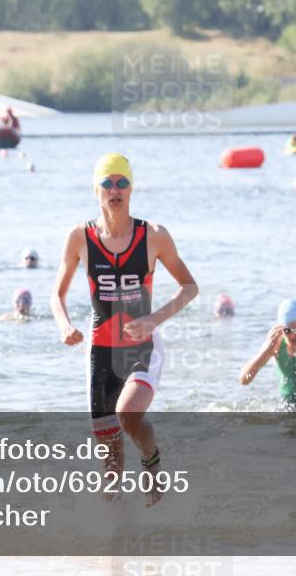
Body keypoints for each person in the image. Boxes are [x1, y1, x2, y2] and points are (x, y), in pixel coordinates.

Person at [50, 152, 198, 506]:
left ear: (132, 189)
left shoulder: (154, 236)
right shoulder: (79, 237)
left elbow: (189, 287)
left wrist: (153, 319)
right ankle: (112, 539)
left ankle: (153, 467)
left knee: (128, 414)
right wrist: (64, 325)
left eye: (122, 183)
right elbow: (57, 294)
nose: (115, 190)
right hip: (101, 349)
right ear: (96, 190)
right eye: (107, 183)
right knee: (110, 461)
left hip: (141, 346)